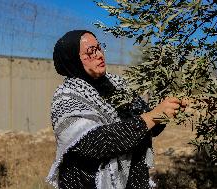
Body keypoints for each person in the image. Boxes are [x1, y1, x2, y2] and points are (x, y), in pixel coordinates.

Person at [46, 30, 185, 189]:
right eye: (90, 52)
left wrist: (171, 106)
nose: (99, 54)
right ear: (72, 60)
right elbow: (94, 143)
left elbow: (150, 128)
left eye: (99, 48)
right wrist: (152, 117)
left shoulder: (118, 85)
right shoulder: (66, 97)